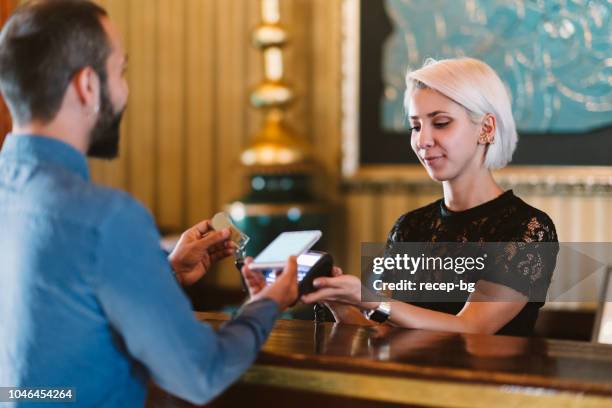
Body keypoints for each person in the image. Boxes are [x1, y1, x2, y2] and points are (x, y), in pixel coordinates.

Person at [0, 1, 297, 406]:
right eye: (120, 71)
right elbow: (200, 373)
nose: (124, 89)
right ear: (88, 86)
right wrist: (264, 306)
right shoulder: (106, 219)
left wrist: (162, 272)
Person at [300, 58, 559, 337]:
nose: (423, 140)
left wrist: (371, 299)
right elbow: (383, 333)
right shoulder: (409, 226)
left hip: (487, 382)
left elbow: (471, 328)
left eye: (441, 123)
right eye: (416, 126)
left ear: (486, 128)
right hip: (411, 381)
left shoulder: (527, 228)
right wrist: (339, 301)